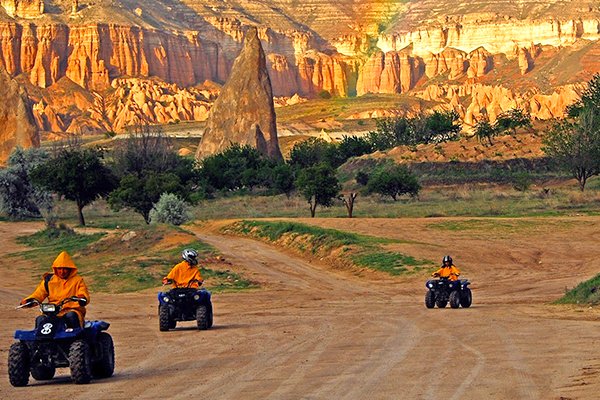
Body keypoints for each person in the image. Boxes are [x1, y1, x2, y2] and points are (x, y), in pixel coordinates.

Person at [20, 250, 90, 329]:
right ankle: (38, 339)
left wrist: (82, 298)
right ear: (55, 269)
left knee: (71, 316)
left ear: (70, 269)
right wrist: (29, 301)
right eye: (59, 268)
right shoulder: (49, 280)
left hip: (72, 309)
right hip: (53, 310)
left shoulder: (78, 280)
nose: (62, 272)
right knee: (41, 319)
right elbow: (39, 293)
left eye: (65, 269)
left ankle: (78, 338)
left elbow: (83, 292)